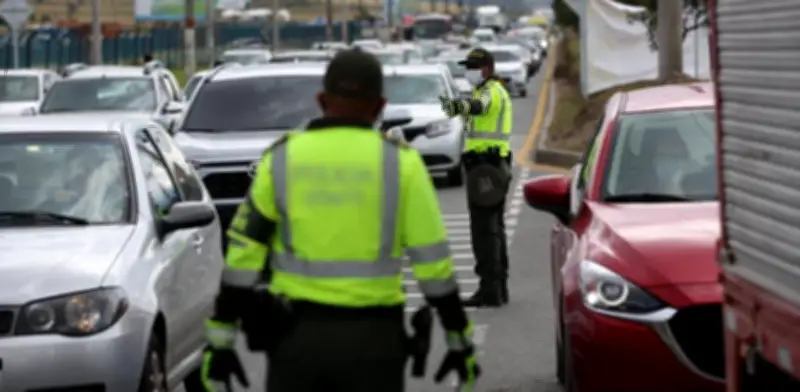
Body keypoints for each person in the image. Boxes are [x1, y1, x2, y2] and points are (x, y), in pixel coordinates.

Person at [201, 49, 481, 392]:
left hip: (296, 342)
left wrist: (221, 338)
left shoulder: (282, 159)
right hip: (374, 344)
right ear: (380, 106)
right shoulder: (402, 165)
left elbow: (243, 256)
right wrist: (458, 336)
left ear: (321, 100)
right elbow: (433, 266)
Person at [439, 47, 513, 307]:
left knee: (484, 232)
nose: (470, 71)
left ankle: (490, 289)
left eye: (474, 67)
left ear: (488, 69)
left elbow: (478, 108)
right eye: (467, 67)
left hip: (487, 167)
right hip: (489, 166)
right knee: (493, 230)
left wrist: (454, 106)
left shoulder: (491, 92)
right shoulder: (485, 90)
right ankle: (498, 287)